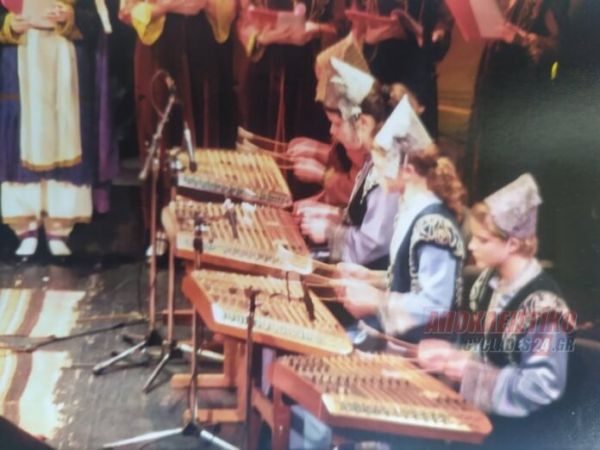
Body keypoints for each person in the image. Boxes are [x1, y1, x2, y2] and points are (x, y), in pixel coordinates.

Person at [418, 174, 574, 426]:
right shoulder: (487, 284)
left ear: (512, 244)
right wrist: (451, 356)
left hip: (521, 432)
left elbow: (541, 388)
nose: (471, 246)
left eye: (482, 240)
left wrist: (472, 373)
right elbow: (488, 351)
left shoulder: (544, 307)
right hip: (480, 417)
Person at [335, 96, 466, 341]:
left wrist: (378, 301)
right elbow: (408, 280)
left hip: (421, 346)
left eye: (381, 163)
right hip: (399, 334)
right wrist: (370, 277)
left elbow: (435, 306)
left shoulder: (434, 226)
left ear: (408, 170)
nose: (376, 171)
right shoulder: (410, 208)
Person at [120, 0, 238, 231]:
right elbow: (126, 12)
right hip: (158, 53)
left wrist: (207, 5)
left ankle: (203, 226)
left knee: (202, 136)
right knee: (160, 134)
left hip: (202, 52)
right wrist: (168, 6)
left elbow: (229, 10)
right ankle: (160, 229)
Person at [0, 1, 102, 256]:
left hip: (64, 59)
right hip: (20, 56)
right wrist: (7, 24)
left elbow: (96, 18)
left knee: (64, 134)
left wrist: (71, 16)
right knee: (22, 137)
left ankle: (59, 225)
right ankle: (25, 226)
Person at [297, 57, 401, 270]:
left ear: (362, 122)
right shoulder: (375, 157)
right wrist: (331, 215)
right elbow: (363, 214)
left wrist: (330, 232)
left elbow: (372, 245)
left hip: (371, 274)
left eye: (337, 123)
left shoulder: (389, 168)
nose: (331, 131)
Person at [285, 33, 371, 208]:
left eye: (337, 123)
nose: (331, 130)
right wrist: (320, 152)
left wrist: (323, 176)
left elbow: (360, 197)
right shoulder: (353, 132)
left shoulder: (376, 150)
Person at [347, 0, 454, 136]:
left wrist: (435, 34)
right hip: (377, 64)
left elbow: (443, 24)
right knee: (375, 133)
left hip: (415, 70)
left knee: (412, 139)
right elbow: (358, 12)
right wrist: (362, 24)